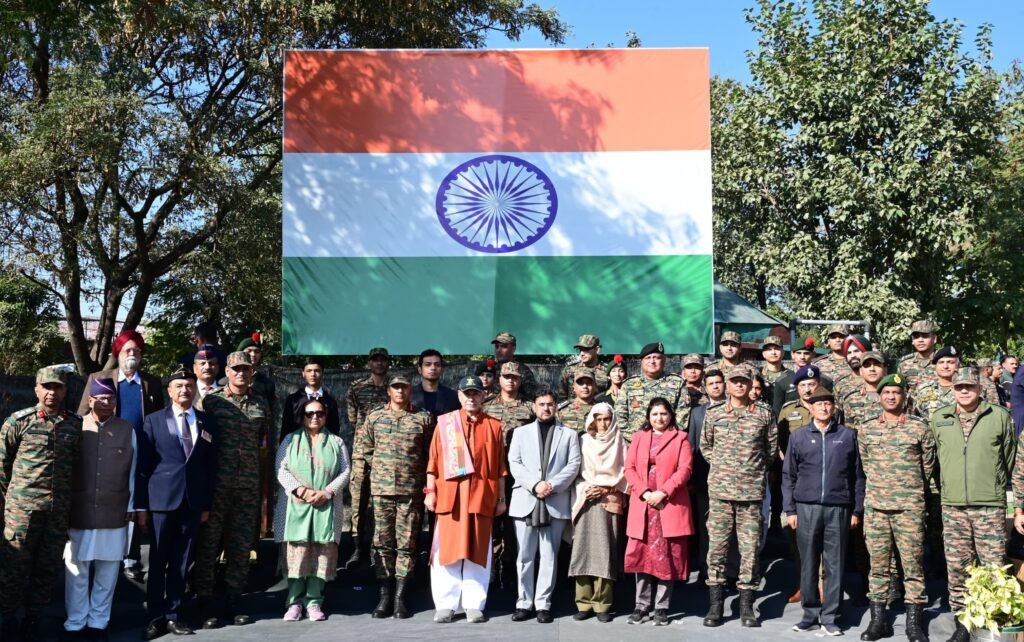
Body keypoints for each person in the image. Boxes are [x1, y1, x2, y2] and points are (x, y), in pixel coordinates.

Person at [932, 366, 1016, 642]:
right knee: (958, 566)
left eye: (969, 386)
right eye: (959, 387)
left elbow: (1010, 458)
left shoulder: (999, 416)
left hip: (989, 505)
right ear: (953, 389)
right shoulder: (940, 418)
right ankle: (962, 623)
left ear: (980, 388)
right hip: (953, 505)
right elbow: (936, 460)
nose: (964, 391)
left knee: (993, 566)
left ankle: (991, 622)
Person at [134, 365, 217, 640]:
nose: (185, 390)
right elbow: (143, 467)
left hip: (192, 503)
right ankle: (154, 616)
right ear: (169, 391)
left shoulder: (207, 422)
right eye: (179, 386)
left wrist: (206, 505)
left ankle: (174, 615)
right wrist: (142, 506)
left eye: (189, 386)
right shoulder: (153, 421)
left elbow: (210, 467)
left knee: (182, 562)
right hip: (161, 501)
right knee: (158, 561)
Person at [0, 366, 82, 640]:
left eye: (57, 387)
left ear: (65, 390)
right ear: (36, 389)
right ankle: (7, 620)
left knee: (47, 570)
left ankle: (33, 621)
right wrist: (8, 507)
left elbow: (76, 467)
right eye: (46, 386)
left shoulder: (74, 425)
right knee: (14, 568)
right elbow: (2, 468)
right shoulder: (18, 422)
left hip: (57, 512)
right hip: (22, 513)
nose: (51, 392)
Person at [78, 328, 165, 583]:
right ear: (118, 353)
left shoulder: (151, 383)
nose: (132, 354)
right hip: (106, 451)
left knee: (134, 502)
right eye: (128, 350)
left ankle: (131, 558)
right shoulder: (99, 378)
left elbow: (159, 418)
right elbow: (83, 414)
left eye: (136, 350)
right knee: (106, 499)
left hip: (141, 452)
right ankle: (101, 556)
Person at [193, 352, 270, 629]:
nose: (241, 373)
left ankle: (234, 600)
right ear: (226, 371)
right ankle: (204, 601)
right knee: (208, 545)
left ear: (252, 372)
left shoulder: (261, 403)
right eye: (236, 369)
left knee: (240, 547)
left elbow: (264, 443)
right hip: (217, 486)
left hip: (247, 487)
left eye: (245, 369)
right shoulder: (211, 401)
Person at [856, 373, 934, 642]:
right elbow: (866, 465)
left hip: (909, 509)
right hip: (877, 508)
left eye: (896, 392)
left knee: (913, 567)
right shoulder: (867, 428)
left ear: (904, 396)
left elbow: (927, 468)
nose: (891, 397)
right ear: (879, 397)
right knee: (878, 567)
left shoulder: (919, 428)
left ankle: (914, 624)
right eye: (886, 392)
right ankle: (878, 621)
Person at [783, 387, 864, 636]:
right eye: (819, 404)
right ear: (811, 407)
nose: (824, 408)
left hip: (838, 508)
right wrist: (790, 509)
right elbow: (788, 475)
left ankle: (830, 616)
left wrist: (856, 510)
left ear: (834, 407)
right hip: (806, 508)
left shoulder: (847, 436)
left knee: (835, 564)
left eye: (828, 404)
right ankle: (809, 614)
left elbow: (858, 476)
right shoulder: (798, 436)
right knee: (808, 563)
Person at [425, 376, 507, 624]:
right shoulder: (446, 424)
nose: (471, 398)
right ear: (459, 396)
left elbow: (500, 468)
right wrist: (431, 493)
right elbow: (433, 463)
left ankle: (474, 604)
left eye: (476, 393)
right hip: (451, 497)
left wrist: (501, 498)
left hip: (481, 496)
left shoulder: (494, 426)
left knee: (478, 551)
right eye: (467, 393)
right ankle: (445, 604)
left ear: (483, 396)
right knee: (446, 551)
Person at [701, 363, 776, 628]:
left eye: (744, 380)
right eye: (734, 381)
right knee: (717, 550)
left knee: (750, 551)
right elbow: (706, 447)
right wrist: (724, 468)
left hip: (751, 495)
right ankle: (716, 605)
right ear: (728, 384)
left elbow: (770, 450)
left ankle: (746, 605)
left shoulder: (764, 414)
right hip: (721, 493)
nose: (739, 385)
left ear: (750, 383)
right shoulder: (714, 413)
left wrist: (750, 470)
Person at [353, 374, 433, 619]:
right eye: (395, 387)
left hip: (411, 492)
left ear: (410, 390)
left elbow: (431, 454)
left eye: (404, 387)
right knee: (382, 543)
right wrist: (382, 470)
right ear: (388, 390)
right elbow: (366, 450)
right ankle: (384, 595)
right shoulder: (375, 417)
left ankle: (400, 597)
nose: (400, 391)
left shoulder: (423, 418)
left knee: (407, 544)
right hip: (382, 491)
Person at [64, 377, 136, 639]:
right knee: (76, 570)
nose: (106, 402)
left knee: (108, 570)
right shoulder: (76, 427)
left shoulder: (127, 429)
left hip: (114, 509)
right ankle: (75, 622)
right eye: (101, 398)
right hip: (79, 509)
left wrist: (132, 504)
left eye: (111, 398)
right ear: (90, 399)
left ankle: (98, 622)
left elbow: (134, 470)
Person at [274, 397, 350, 623]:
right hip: (295, 506)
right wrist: (300, 490)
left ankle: (314, 602)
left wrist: (327, 492)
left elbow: (346, 471)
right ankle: (294, 602)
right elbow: (280, 469)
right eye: (310, 413)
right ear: (302, 416)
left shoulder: (337, 442)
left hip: (326, 504)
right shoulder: (290, 440)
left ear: (326, 416)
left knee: (320, 554)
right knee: (296, 555)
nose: (315, 417)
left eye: (320, 413)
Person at [508, 390, 581, 623]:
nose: (546, 408)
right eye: (541, 404)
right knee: (524, 556)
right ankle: (523, 602)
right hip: (526, 500)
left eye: (550, 404)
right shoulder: (520, 433)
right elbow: (514, 463)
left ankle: (543, 604)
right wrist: (535, 484)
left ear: (556, 406)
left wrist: (551, 485)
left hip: (554, 500)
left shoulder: (569, 434)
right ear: (534, 407)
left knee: (549, 556)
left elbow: (573, 464)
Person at [624, 398, 694, 626]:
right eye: (654, 414)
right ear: (648, 416)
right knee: (642, 557)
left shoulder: (680, 438)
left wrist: (663, 492)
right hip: (643, 505)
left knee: (667, 557)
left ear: (671, 415)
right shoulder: (639, 437)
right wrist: (645, 492)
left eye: (663, 413)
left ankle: (662, 607)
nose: (659, 418)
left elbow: (685, 469)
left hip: (668, 504)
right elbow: (629, 468)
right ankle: (641, 605)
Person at [569, 403, 627, 623]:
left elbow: (627, 474)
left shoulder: (620, 442)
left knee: (605, 551)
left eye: (606, 419)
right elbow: (575, 472)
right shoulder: (583, 441)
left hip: (609, 501)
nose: (602, 424)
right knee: (583, 551)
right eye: (598, 419)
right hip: (585, 499)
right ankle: (583, 603)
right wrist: (587, 488)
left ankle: (603, 604)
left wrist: (605, 488)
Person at [483, 362, 536, 588]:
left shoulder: (530, 407)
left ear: (520, 380)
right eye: (506, 377)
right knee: (492, 521)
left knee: (516, 523)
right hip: (493, 472)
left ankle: (511, 569)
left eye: (514, 377)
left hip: (519, 474)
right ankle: (492, 568)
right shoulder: (486, 407)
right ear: (499, 379)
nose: (510, 381)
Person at [345, 347, 390, 569]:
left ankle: (378, 550)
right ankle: (357, 548)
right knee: (358, 501)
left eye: (383, 360)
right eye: (375, 360)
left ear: (388, 363)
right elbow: (353, 419)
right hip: (362, 453)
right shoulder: (357, 388)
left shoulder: (394, 387)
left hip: (386, 453)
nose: (379, 363)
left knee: (382, 503)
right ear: (369, 363)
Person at [238, 331, 278, 541]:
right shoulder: (226, 379)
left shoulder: (266, 383)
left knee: (260, 489)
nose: (253, 355)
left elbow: (270, 414)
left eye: (256, 351)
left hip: (258, 443)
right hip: (233, 445)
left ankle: (259, 534)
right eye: (248, 351)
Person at [614, 342, 683, 442]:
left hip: (668, 442)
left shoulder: (677, 383)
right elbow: (619, 416)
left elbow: (682, 416)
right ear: (641, 362)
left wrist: (665, 439)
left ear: (664, 360)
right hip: (635, 442)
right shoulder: (629, 385)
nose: (652, 361)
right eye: (648, 358)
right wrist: (636, 438)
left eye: (656, 358)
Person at [281, 357, 341, 441]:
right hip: (297, 446)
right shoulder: (293, 400)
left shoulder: (330, 401)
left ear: (322, 373)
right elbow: (286, 429)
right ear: (303, 374)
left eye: (317, 371)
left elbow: (334, 430)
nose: (313, 374)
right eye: (309, 371)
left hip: (324, 445)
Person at [774, 338, 834, 416]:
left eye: (806, 353)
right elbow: (777, 412)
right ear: (792, 354)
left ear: (813, 355)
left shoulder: (825, 380)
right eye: (799, 353)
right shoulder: (782, 380)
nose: (802, 357)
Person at [839, 350, 887, 428]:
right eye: (867, 365)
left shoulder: (896, 396)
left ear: (885, 369)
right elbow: (848, 430)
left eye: (877, 365)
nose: (872, 369)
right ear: (861, 371)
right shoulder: (851, 399)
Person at [912, 346, 959, 420]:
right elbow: (915, 416)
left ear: (958, 365)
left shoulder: (966, 389)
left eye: (950, 362)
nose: (945, 366)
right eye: (941, 362)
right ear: (935, 366)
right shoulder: (923, 390)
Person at [410, 349, 461, 417]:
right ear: (420, 370)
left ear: (442, 369)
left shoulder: (453, 396)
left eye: (437, 365)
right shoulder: (409, 395)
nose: (433, 368)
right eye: (428, 364)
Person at [558, 334, 609, 400]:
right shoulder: (569, 370)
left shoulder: (607, 371)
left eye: (586, 349)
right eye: (580, 350)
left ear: (597, 349)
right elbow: (561, 397)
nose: (582, 353)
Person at [492, 332, 538, 400]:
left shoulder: (522, 370)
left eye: (504, 346)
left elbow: (531, 396)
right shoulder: (491, 369)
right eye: (497, 346)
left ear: (513, 348)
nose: (499, 350)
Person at [897, 320, 939, 395]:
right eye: (916, 337)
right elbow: (900, 391)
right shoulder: (905, 364)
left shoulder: (944, 361)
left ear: (934, 339)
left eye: (925, 336)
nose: (920, 340)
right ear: (912, 340)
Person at [557, 367, 597, 433]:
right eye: (580, 383)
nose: (585, 386)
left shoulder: (602, 408)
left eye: (589, 383)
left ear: (595, 386)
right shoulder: (562, 410)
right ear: (574, 387)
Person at [679, 353, 709, 427]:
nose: (693, 371)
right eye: (689, 368)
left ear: (703, 372)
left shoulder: (709, 393)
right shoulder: (677, 392)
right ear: (683, 372)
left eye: (697, 368)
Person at [760, 336, 791, 401]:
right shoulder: (758, 374)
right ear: (763, 354)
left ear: (783, 352)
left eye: (777, 349)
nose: (773, 352)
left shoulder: (790, 375)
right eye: (769, 349)